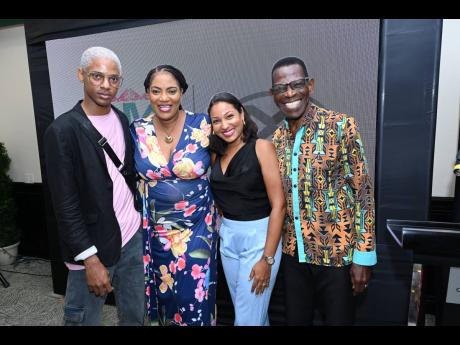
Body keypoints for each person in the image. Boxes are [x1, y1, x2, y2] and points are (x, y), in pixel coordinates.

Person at [270, 56, 377, 325]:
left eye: (296, 84)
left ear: (310, 85)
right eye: (281, 88)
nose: (290, 93)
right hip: (294, 257)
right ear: (274, 95)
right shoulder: (275, 140)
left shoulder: (341, 126)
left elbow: (363, 194)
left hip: (338, 257)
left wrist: (363, 257)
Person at [43, 47, 144, 326]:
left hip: (131, 239)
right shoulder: (62, 131)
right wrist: (89, 259)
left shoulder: (122, 120)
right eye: (97, 76)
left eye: (114, 79)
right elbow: (65, 204)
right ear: (81, 75)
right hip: (92, 248)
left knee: (135, 316)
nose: (106, 85)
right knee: (84, 320)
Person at [130, 65, 218, 326]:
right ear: (147, 94)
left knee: (194, 299)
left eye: (171, 91)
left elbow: (224, 167)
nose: (164, 98)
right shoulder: (137, 130)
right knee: (165, 299)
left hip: (198, 230)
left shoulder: (203, 125)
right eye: (156, 91)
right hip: (156, 234)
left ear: (182, 92)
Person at [208, 92, 286, 326]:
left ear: (242, 114)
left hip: (260, 240)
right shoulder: (216, 154)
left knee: (246, 320)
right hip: (229, 239)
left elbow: (279, 205)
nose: (224, 125)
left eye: (229, 116)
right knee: (254, 316)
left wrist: (267, 259)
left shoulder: (262, 148)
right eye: (216, 120)